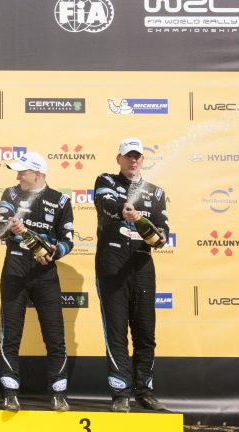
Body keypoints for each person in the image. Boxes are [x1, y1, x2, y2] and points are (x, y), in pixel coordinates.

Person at [94, 138, 169, 412]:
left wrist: (160, 236)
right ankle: (120, 393)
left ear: (143, 160)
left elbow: (163, 230)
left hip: (142, 268)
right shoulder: (105, 180)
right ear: (119, 159)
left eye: (137, 156)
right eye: (128, 156)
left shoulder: (155, 192)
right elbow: (106, 203)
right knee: (116, 334)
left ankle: (145, 391)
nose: (133, 160)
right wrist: (124, 211)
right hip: (112, 267)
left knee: (145, 333)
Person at [0, 152, 74, 412]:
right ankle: (10, 393)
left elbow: (68, 240)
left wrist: (53, 251)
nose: (18, 176)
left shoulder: (61, 200)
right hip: (14, 270)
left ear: (38, 173)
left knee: (55, 336)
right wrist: (12, 229)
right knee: (11, 335)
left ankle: (59, 393)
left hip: (45, 274)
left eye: (23, 171)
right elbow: (0, 229)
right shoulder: (11, 193)